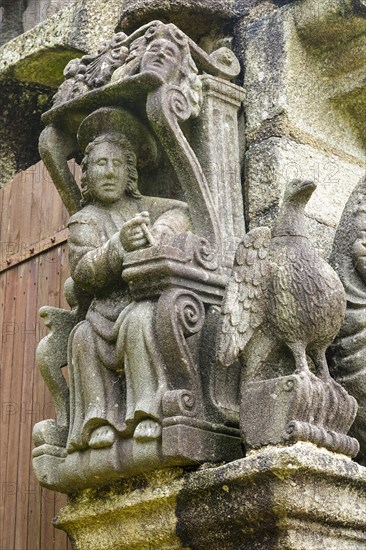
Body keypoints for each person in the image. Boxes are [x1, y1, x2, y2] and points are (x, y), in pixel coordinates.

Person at [66, 132, 191, 451]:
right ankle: (98, 420)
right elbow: (83, 273)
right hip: (102, 312)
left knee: (140, 321)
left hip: (140, 301)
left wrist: (161, 230)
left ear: (130, 173)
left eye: (118, 164)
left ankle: (148, 411)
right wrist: (118, 246)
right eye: (101, 164)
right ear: (88, 175)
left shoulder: (143, 206)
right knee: (82, 337)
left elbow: (182, 211)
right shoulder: (84, 221)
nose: (109, 172)